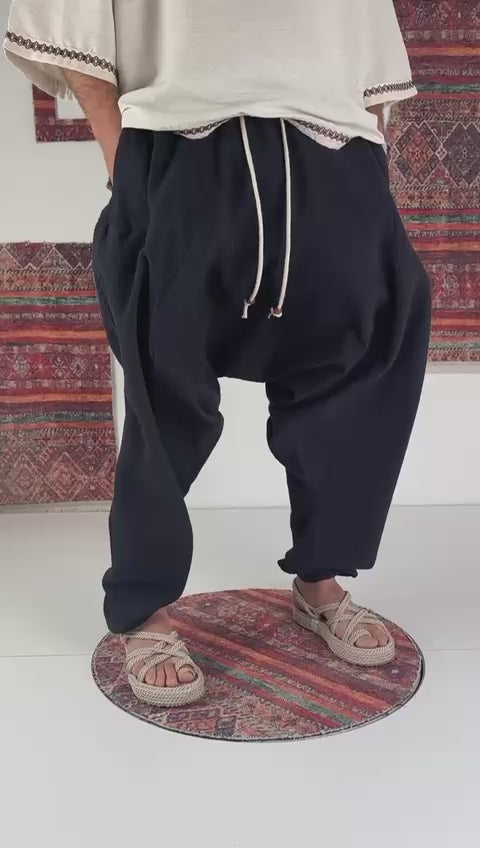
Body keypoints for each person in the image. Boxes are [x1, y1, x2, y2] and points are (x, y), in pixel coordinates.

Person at [5, 0, 431, 708]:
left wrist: (367, 161)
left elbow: (364, 38)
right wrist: (123, 159)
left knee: (358, 366)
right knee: (162, 385)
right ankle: (143, 607)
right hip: (181, 140)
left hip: (335, 149)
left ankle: (321, 580)